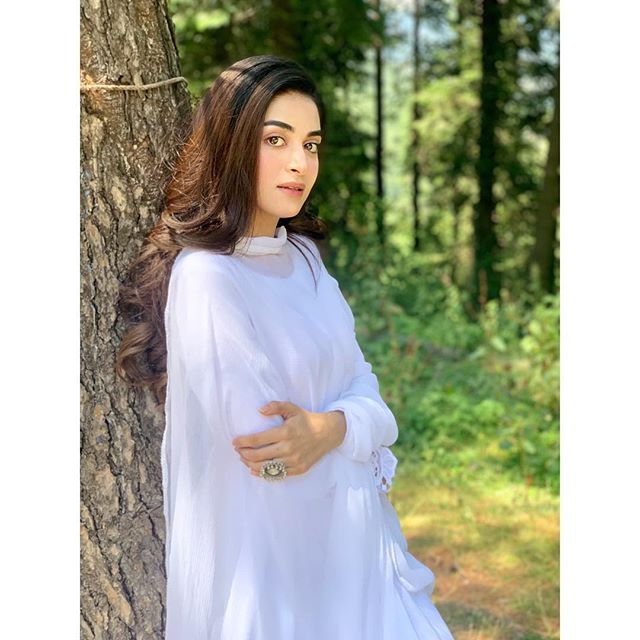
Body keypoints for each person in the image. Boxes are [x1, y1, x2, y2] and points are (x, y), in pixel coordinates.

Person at [116, 55, 455, 640]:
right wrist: (351, 429)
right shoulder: (209, 277)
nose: (301, 162)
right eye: (277, 140)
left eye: (311, 144)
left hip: (361, 555)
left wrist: (329, 429)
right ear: (232, 145)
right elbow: (269, 456)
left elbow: (371, 394)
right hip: (279, 580)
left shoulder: (304, 260)